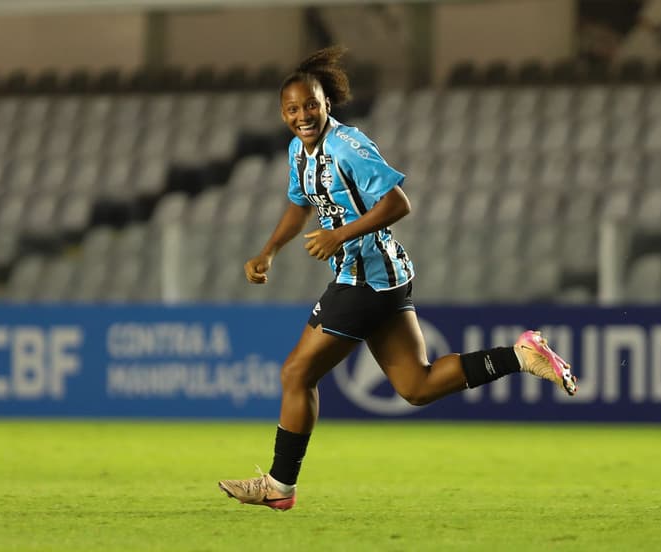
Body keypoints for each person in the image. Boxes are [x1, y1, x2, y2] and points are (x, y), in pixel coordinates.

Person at [218, 46, 577, 511]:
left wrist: (339, 235)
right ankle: (520, 355)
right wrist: (268, 251)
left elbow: (398, 203)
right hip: (382, 277)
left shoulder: (349, 146)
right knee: (417, 386)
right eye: (292, 108)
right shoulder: (298, 151)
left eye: (310, 104)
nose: (302, 115)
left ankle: (280, 486)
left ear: (328, 102)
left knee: (295, 373)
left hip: (363, 277)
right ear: (282, 114)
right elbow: (299, 203)